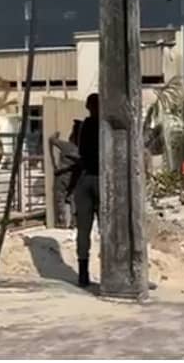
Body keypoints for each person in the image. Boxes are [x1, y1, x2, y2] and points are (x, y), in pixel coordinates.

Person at [74, 93, 100, 288]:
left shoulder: (84, 126)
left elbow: (80, 151)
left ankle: (83, 274)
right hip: (101, 178)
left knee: (83, 231)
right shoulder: (105, 125)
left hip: (84, 179)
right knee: (108, 229)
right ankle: (110, 272)